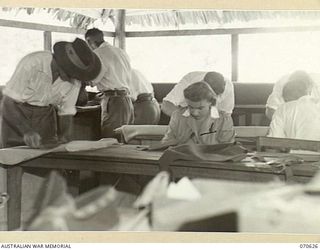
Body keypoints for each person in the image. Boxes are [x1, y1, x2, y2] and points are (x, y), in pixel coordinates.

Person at [0, 38, 101, 148]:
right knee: (12, 157)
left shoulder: (75, 81)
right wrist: (26, 131)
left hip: (45, 116)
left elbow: (66, 111)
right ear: (62, 63)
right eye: (71, 73)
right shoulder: (33, 62)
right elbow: (8, 103)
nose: (73, 79)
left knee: (47, 157)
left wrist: (65, 135)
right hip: (17, 115)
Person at [85, 28, 134, 140]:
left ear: (89, 41)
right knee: (123, 139)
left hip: (114, 100)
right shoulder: (120, 52)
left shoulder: (98, 54)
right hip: (126, 100)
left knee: (110, 139)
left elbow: (93, 80)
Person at [159, 81, 235, 148]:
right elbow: (166, 143)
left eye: (200, 108)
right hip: (182, 160)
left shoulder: (224, 119)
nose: (195, 112)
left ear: (211, 103)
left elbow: (228, 148)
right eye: (190, 107)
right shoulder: (177, 116)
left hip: (213, 162)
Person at [161, 71, 234, 117]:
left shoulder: (228, 86)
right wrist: (185, 120)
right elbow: (166, 105)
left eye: (217, 94)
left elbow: (226, 114)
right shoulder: (188, 81)